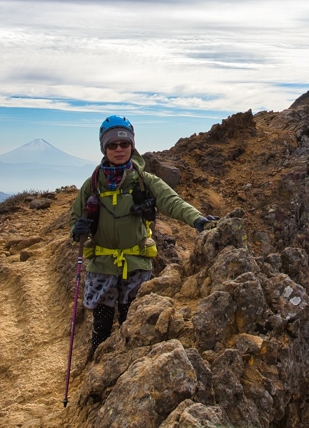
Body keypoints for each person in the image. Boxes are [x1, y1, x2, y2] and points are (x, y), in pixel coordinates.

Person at [70, 115, 217, 357]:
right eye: (112, 145)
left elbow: (172, 201)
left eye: (124, 144)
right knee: (101, 325)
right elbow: (75, 219)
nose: (119, 149)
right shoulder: (93, 184)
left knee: (132, 320)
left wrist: (197, 219)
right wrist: (77, 230)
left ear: (132, 146)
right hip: (102, 264)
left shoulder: (144, 181)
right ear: (103, 147)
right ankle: (96, 365)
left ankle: (126, 363)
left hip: (136, 264)